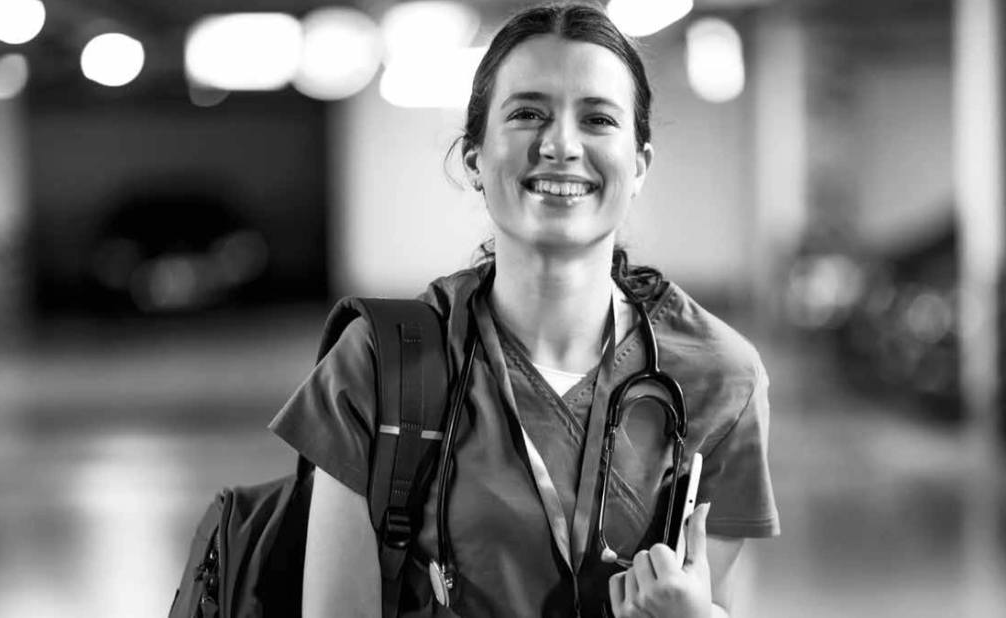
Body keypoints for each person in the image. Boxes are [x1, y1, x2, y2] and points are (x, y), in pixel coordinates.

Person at [270, 2, 779, 616]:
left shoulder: (719, 377)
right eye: (528, 113)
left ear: (639, 164)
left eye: (597, 119)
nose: (561, 144)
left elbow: (715, 599)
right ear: (475, 157)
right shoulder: (380, 366)